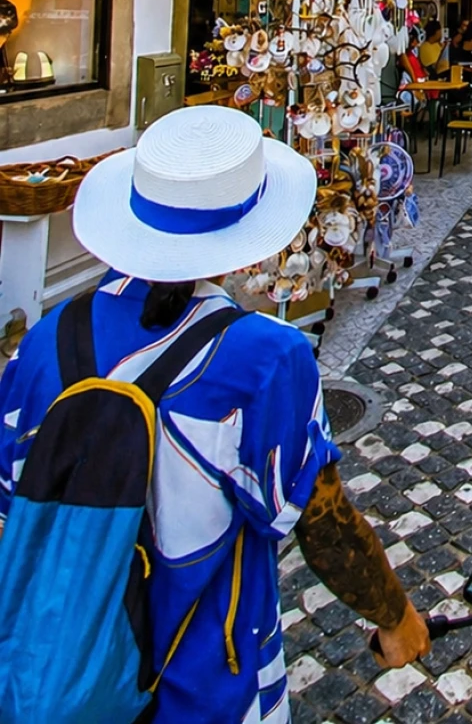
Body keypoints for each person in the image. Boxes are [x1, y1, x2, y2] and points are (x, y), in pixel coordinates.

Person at [0, 109, 428, 724]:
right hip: (205, 688)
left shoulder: (44, 343)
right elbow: (323, 525)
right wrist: (397, 618)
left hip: (51, 673)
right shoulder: (264, 359)